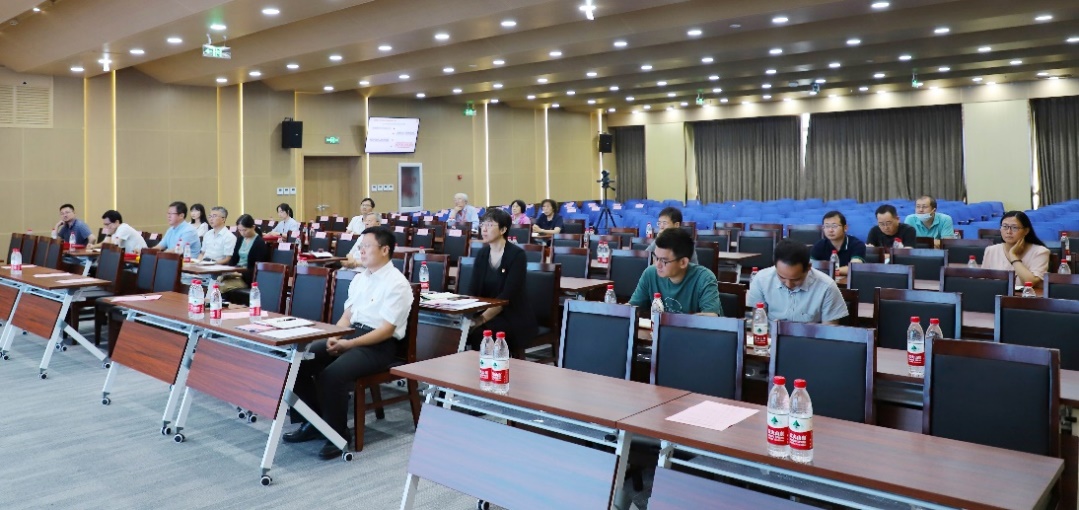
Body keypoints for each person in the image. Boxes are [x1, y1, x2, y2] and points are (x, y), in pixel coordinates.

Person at [284, 226, 414, 459]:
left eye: (366, 246)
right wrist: (335, 336)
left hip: (378, 345)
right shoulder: (360, 278)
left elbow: (386, 330)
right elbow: (347, 315)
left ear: (384, 250)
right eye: (360, 247)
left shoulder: (397, 284)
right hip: (351, 334)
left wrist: (348, 345)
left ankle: (337, 435)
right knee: (300, 362)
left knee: (333, 375)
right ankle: (313, 422)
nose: (360, 251)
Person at [466, 209, 537, 357]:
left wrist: (481, 320)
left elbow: (507, 296)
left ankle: (491, 368)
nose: (484, 229)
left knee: (479, 333)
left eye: (490, 225)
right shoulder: (482, 254)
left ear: (503, 230)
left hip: (512, 315)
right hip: (486, 311)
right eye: (483, 225)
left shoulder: (517, 255)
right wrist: (468, 316)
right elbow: (472, 290)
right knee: (458, 329)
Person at [747, 239, 848, 324]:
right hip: (771, 337)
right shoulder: (761, 279)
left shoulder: (827, 287)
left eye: (796, 279)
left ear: (808, 267)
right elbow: (758, 322)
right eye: (782, 277)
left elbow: (830, 331)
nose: (788, 284)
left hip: (809, 339)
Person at [628, 228, 720, 315]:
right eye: (656, 257)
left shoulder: (704, 278)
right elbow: (632, 308)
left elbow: (711, 317)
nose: (657, 265)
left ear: (683, 262)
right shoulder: (650, 273)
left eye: (664, 260)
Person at [980, 211, 1050, 288]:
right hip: (996, 294)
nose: (1009, 232)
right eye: (1005, 226)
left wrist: (1013, 256)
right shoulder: (991, 250)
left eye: (1014, 228)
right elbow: (983, 282)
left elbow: (1030, 282)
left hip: (1026, 295)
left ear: (1026, 231)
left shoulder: (1040, 252)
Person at [218, 214, 267, 294]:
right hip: (236, 273)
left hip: (247, 277)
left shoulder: (259, 243)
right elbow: (234, 258)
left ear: (253, 227)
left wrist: (240, 274)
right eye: (240, 230)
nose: (242, 233)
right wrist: (229, 271)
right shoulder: (240, 239)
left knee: (221, 286)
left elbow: (257, 267)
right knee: (218, 280)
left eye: (245, 230)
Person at [810, 211, 866, 277]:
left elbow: (854, 268)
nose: (830, 230)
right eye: (827, 226)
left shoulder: (857, 245)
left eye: (834, 226)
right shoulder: (819, 245)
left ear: (845, 228)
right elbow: (809, 267)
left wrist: (828, 271)